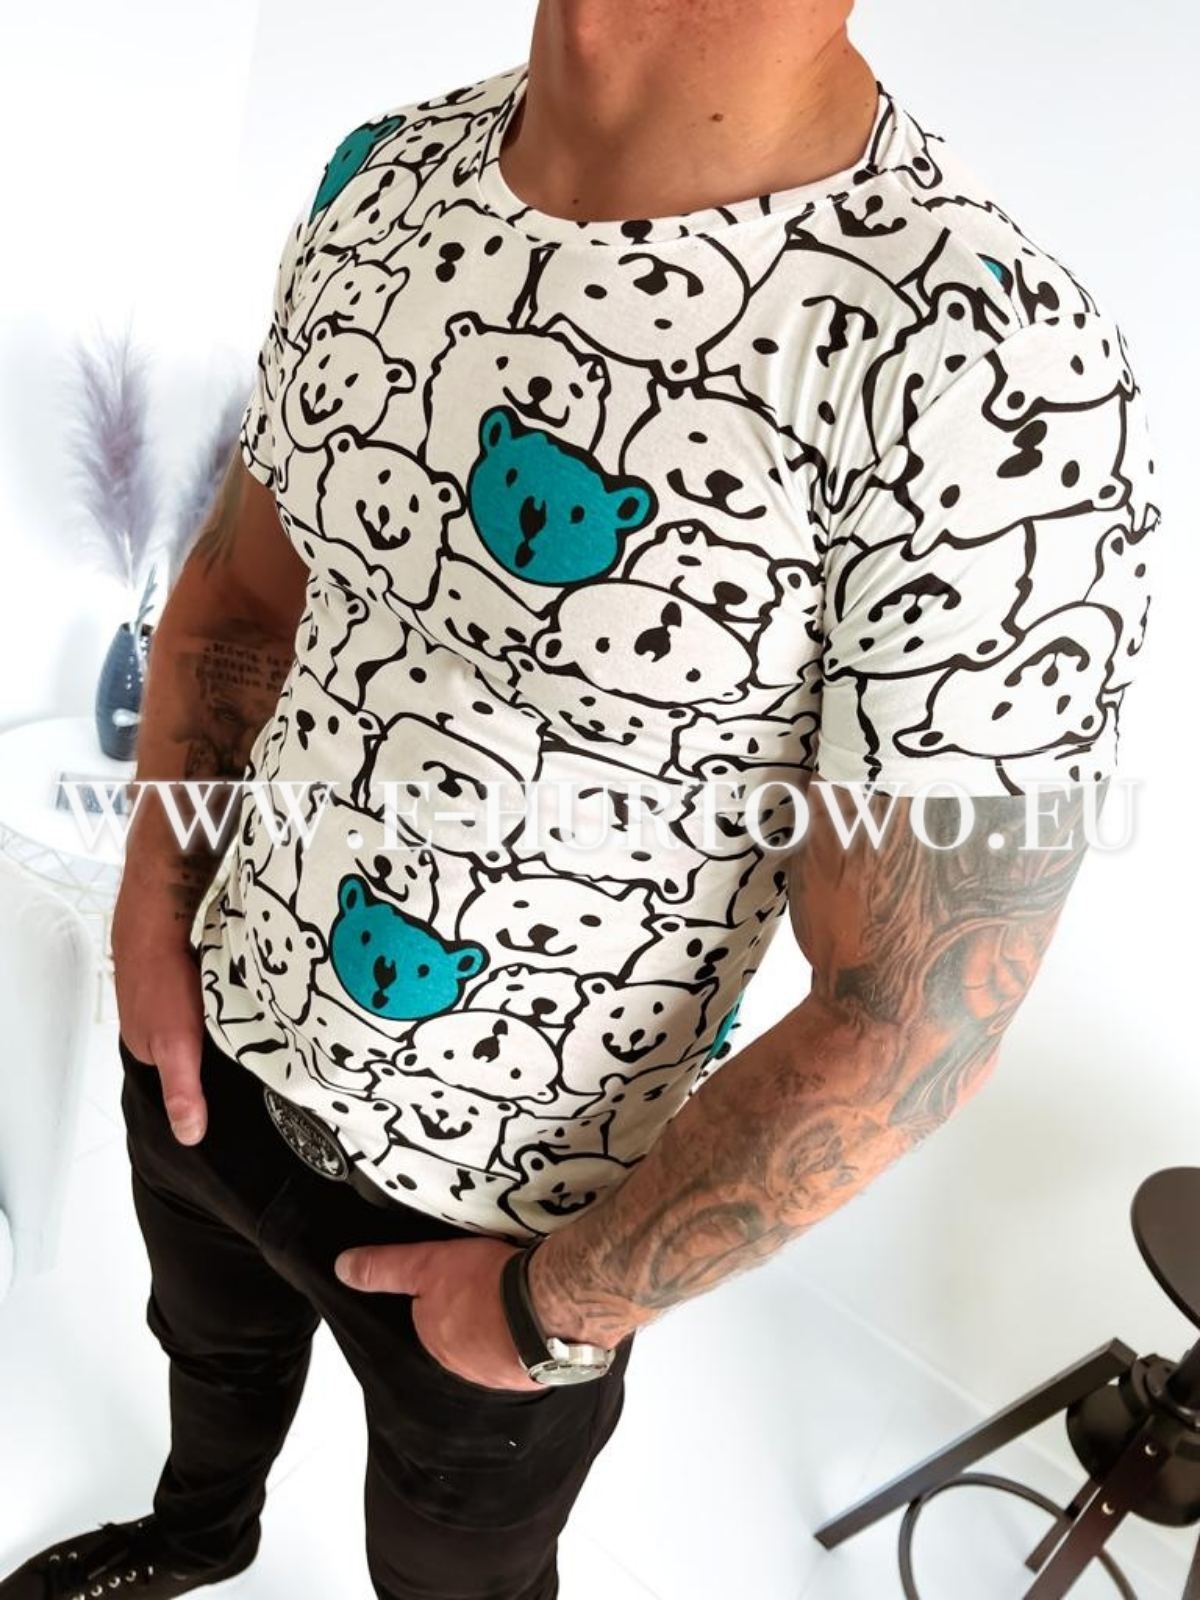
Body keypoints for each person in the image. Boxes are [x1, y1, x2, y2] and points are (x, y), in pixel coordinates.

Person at [2, 0, 1159, 1596]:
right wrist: (152, 918)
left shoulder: (988, 372)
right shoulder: (385, 172)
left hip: (510, 1228)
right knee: (208, 1370)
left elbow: (917, 1007)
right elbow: (245, 590)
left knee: (457, 1573)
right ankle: (204, 1534)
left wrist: (556, 1309)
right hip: (210, 1051)